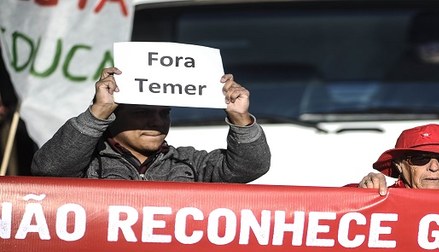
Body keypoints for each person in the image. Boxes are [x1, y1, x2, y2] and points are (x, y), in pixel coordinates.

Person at [31, 67, 270, 182]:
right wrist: (98, 112)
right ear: (115, 114)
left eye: (164, 113)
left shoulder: (190, 163)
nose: (156, 122)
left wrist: (241, 118)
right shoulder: (89, 164)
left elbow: (251, 167)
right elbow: (49, 169)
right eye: (142, 112)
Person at [354, 123, 439, 195]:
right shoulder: (377, 199)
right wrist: (359, 195)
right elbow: (337, 204)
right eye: (420, 159)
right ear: (399, 165)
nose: (434, 167)